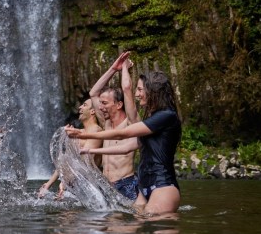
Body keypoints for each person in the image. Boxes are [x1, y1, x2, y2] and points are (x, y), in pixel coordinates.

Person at [66, 67, 182, 215]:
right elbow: (126, 147)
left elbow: (123, 134)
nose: (137, 94)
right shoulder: (152, 122)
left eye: (140, 90)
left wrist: (84, 135)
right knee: (136, 227)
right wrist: (91, 150)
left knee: (153, 227)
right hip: (144, 187)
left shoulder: (166, 116)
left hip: (162, 185)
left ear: (152, 91)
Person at [89, 51, 139, 200]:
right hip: (106, 185)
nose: (101, 107)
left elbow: (127, 89)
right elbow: (93, 93)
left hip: (126, 183)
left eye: (104, 103)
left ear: (119, 105)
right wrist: (114, 68)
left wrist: (124, 68)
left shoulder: (131, 124)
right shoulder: (106, 123)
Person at [38, 98, 103, 198]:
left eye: (84, 105)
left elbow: (85, 160)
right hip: (73, 185)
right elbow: (64, 161)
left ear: (93, 111)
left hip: (88, 188)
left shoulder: (96, 131)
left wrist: (64, 182)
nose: (80, 107)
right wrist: (48, 184)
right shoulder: (79, 133)